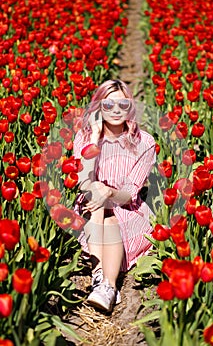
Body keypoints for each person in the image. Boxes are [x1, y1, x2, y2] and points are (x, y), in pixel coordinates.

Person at [73, 79, 156, 312]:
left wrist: (109, 192)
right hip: (92, 206)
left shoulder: (144, 142)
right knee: (96, 193)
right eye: (108, 105)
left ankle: (104, 284)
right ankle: (105, 283)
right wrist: (94, 138)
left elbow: (129, 194)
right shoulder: (85, 137)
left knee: (110, 211)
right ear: (99, 107)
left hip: (127, 208)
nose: (116, 110)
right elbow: (83, 182)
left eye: (123, 104)